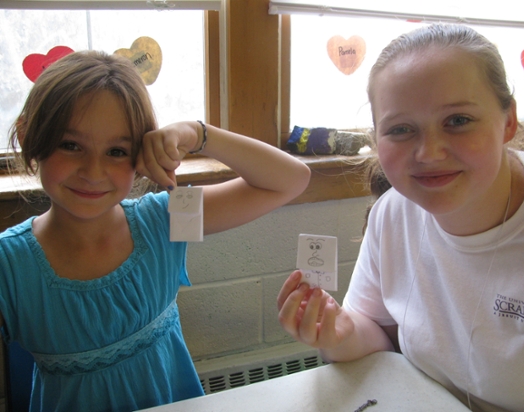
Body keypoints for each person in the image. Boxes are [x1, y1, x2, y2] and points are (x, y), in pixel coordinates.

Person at [0, 50, 311, 412]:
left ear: (142, 154)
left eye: (117, 151)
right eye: (71, 146)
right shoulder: (9, 264)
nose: (93, 170)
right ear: (29, 135)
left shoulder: (164, 220)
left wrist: (197, 134)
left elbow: (291, 180)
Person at [277, 23, 524, 412]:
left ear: (508, 121)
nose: (429, 153)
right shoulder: (393, 213)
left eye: (458, 120)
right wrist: (339, 333)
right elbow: (378, 332)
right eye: (401, 129)